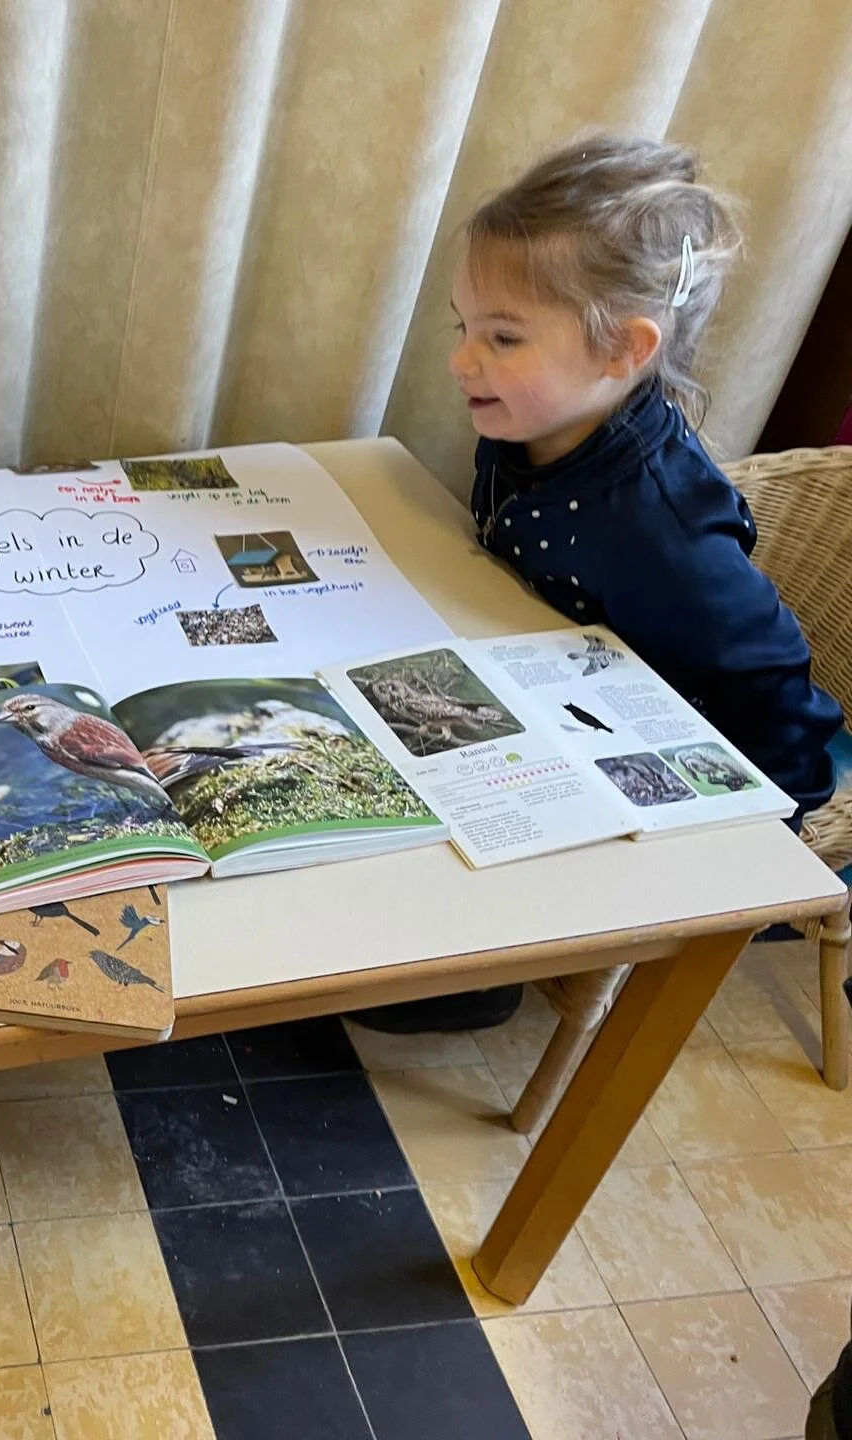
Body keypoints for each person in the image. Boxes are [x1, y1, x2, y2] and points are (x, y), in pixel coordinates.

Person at [356, 135, 843, 1037]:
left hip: (651, 770)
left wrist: (746, 853)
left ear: (623, 349)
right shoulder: (534, 422)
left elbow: (782, 704)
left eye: (503, 338)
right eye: (463, 327)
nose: (463, 361)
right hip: (533, 688)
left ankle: (480, 981)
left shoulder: (665, 531)